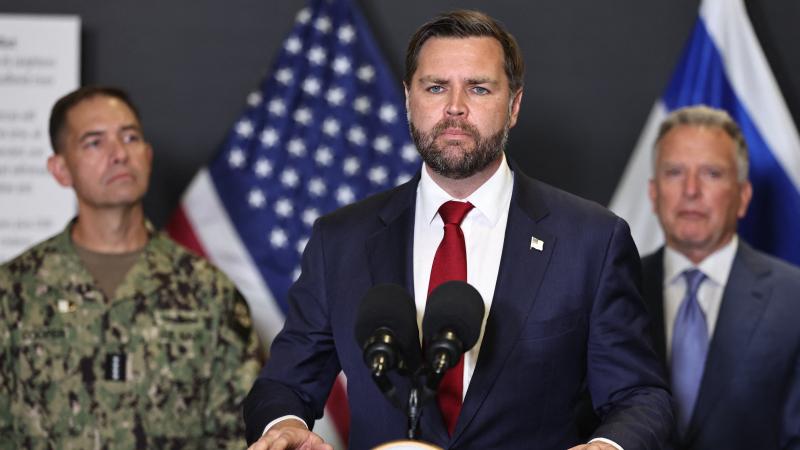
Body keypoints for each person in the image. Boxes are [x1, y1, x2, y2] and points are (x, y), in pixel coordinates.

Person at [244, 10, 672, 450]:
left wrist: (607, 446)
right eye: (435, 87)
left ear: (514, 105)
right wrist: (285, 426)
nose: (454, 107)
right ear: (408, 99)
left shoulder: (591, 241)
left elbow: (640, 397)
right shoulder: (340, 241)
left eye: (478, 88)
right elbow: (283, 385)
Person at [0, 86, 262, 449]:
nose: (119, 154)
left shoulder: (208, 290)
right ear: (60, 169)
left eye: (130, 138)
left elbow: (239, 432)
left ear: (147, 156)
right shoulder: (14, 290)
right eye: (94, 142)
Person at [644, 105, 800, 449]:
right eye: (674, 172)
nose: (691, 190)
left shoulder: (794, 300)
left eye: (712, 173)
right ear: (653, 194)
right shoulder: (614, 285)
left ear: (743, 197)